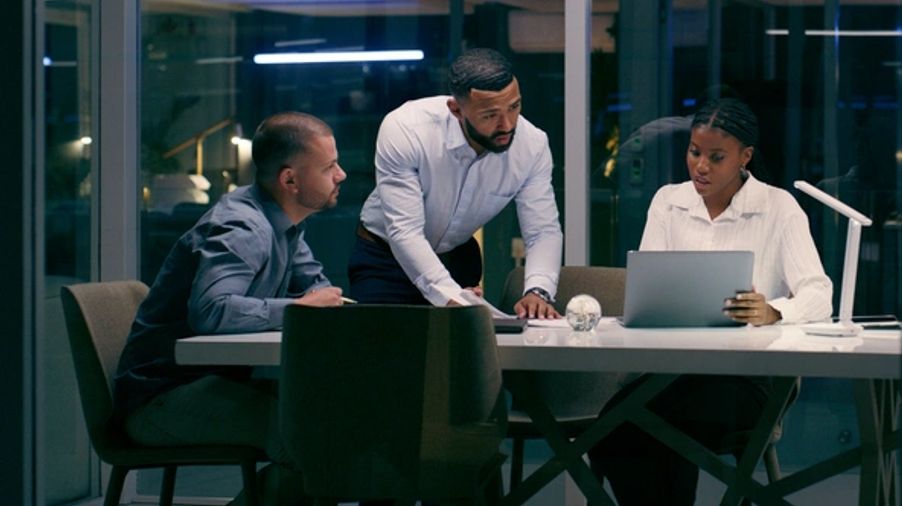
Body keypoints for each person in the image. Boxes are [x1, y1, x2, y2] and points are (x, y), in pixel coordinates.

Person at [589, 97, 833, 505]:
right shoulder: (668, 201)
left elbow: (819, 294)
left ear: (745, 157)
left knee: (640, 427)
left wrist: (775, 311)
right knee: (612, 430)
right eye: (694, 152)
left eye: (716, 157)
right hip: (669, 373)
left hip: (746, 381)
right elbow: (648, 287)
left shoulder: (778, 208)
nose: (701, 166)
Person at [113, 112, 349, 506]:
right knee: (316, 446)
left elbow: (317, 288)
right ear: (290, 180)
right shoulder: (242, 228)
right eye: (329, 167)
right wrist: (300, 307)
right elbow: (212, 310)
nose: (341, 175)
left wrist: (315, 302)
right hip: (160, 400)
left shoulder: (285, 224)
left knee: (340, 428)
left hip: (214, 384)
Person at [349, 47, 562, 318]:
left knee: (467, 344)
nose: (507, 125)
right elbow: (404, 231)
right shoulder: (406, 129)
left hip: (457, 256)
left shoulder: (532, 145)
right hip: (386, 258)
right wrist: (451, 297)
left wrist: (538, 291)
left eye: (514, 107)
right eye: (490, 115)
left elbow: (542, 230)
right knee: (383, 342)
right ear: (456, 110)